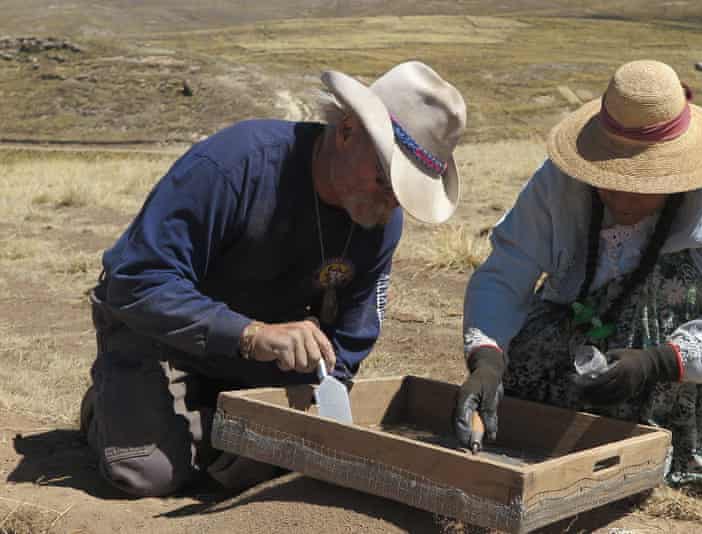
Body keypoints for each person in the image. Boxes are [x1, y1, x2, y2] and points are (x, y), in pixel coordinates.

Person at [81, 61, 467, 497]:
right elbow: (136, 280)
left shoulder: (379, 219)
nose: (392, 202)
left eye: (404, 192)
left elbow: (354, 332)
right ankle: (110, 407)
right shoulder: (236, 165)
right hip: (159, 333)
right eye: (385, 180)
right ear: (346, 132)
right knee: (148, 472)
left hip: (262, 354)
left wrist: (325, 384)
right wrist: (249, 333)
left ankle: (203, 415)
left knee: (289, 455)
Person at [454, 59, 702, 491]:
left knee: (677, 287)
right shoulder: (556, 184)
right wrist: (487, 358)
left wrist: (656, 362)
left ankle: (677, 444)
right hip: (584, 312)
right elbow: (504, 273)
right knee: (524, 366)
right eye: (608, 177)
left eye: (641, 182)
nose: (622, 198)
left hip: (681, 337)